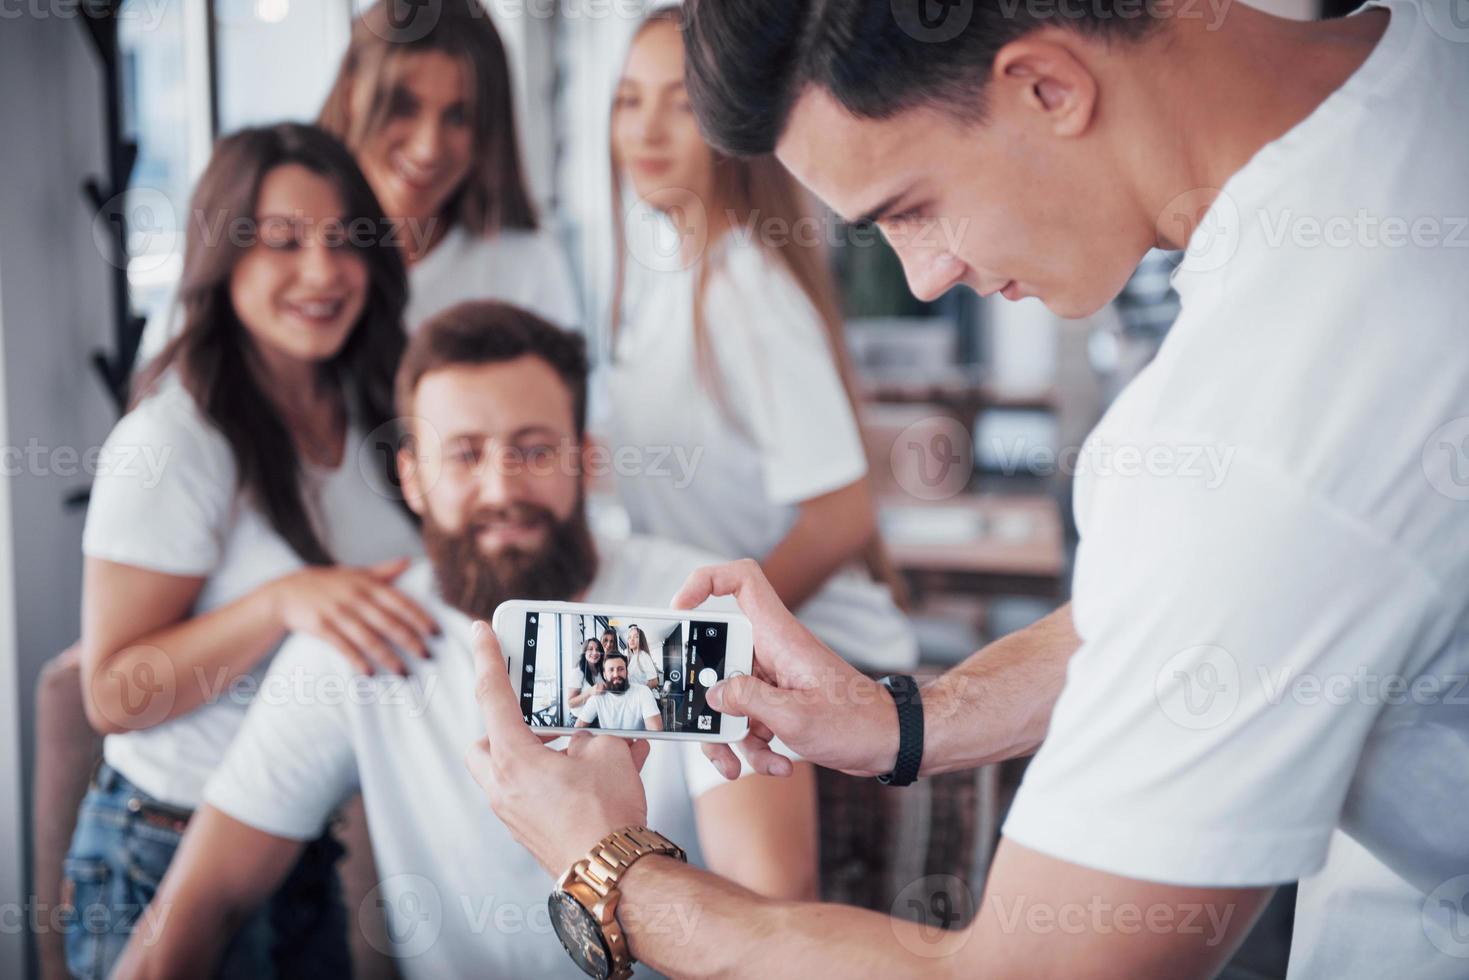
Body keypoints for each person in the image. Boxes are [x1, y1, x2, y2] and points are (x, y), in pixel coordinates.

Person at [465, 1, 1469, 978]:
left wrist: (608, 869)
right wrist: (910, 716)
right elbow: (1206, 599)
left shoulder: (1261, 439)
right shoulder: (1424, 62)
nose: (924, 277)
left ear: (1045, 85)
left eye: (909, 208)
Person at [111, 301, 820, 980]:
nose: (499, 487)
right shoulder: (360, 637)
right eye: (465, 455)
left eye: (534, 449)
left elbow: (773, 912)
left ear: (586, 460)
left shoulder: (693, 612)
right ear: (411, 478)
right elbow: (197, 910)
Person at [67, 123, 432, 978]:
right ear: (222, 254)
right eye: (283, 242)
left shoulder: (368, 398)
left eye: (344, 240)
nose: (322, 271)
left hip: (300, 843)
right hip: (163, 848)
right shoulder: (173, 440)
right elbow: (113, 693)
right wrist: (281, 602)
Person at [601, 6, 916, 675]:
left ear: (725, 123)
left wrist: (703, 643)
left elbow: (839, 516)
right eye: (628, 101)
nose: (644, 129)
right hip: (738, 649)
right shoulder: (666, 288)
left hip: (820, 660)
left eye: (678, 105)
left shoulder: (745, 291)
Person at [134, 0, 578, 366]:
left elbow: (576, 435)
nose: (428, 148)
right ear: (351, 92)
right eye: (403, 106)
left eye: (459, 116)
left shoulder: (526, 268)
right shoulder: (240, 263)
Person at [576, 651, 663, 732]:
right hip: (608, 747)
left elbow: (656, 732)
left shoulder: (643, 692)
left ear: (627, 672)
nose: (616, 674)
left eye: (620, 669)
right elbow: (578, 728)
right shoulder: (597, 696)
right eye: (611, 670)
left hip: (636, 747)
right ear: (604, 674)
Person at [565, 636, 607, 714]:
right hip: (579, 720)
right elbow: (571, 703)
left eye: (597, 650)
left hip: (596, 718)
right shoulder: (577, 672)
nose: (594, 652)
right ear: (584, 652)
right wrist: (590, 692)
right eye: (590, 649)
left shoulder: (601, 671)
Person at [623, 623, 662, 690]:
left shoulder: (643, 655)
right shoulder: (633, 657)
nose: (632, 639)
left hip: (641, 698)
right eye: (629, 637)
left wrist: (640, 694)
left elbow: (654, 682)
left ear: (641, 639)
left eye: (636, 637)